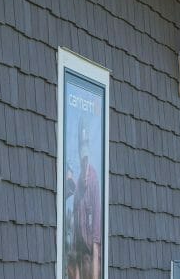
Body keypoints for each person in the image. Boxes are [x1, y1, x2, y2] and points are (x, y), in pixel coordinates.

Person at [67, 117, 102, 279]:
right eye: (83, 161)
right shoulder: (77, 190)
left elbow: (96, 245)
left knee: (88, 259)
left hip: (90, 259)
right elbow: (73, 250)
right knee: (74, 258)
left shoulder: (94, 184)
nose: (85, 165)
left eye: (87, 160)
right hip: (78, 256)